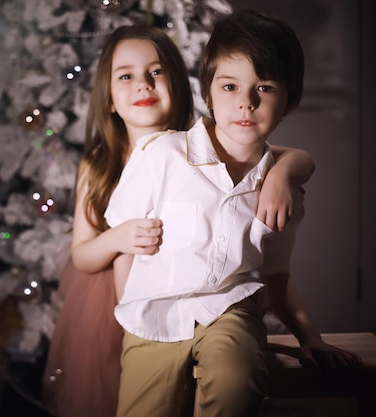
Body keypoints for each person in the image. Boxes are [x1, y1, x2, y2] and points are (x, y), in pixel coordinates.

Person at [43, 22, 317, 417]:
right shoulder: (110, 162)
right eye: (126, 76)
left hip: (214, 304)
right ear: (108, 99)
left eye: (156, 73)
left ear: (182, 86)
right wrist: (119, 237)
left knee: (219, 379)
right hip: (130, 302)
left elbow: (283, 160)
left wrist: (284, 172)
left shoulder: (218, 144)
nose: (143, 85)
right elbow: (84, 255)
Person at [104, 10, 362, 417]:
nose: (245, 101)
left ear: (289, 99)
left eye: (264, 87)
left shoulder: (283, 189)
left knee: (235, 383)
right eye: (229, 86)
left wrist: (309, 337)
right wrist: (129, 310)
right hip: (153, 312)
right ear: (208, 93)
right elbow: (126, 245)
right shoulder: (161, 156)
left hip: (230, 309)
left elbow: (275, 274)